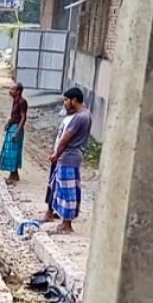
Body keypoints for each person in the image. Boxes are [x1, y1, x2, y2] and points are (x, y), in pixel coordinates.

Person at [44, 87, 92, 233]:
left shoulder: (79, 117)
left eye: (66, 100)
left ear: (74, 100)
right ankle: (63, 220)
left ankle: (67, 224)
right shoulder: (84, 114)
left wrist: (56, 154)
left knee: (68, 191)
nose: (64, 103)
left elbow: (65, 139)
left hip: (69, 158)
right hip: (69, 157)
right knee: (62, 189)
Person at [0, 82, 29, 184]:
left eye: (13, 89)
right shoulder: (15, 101)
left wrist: (17, 131)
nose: (10, 91)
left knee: (13, 151)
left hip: (17, 128)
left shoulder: (22, 102)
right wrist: (8, 123)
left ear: (18, 91)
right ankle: (14, 174)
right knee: (10, 150)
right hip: (13, 126)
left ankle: (13, 174)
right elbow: (14, 116)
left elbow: (23, 117)